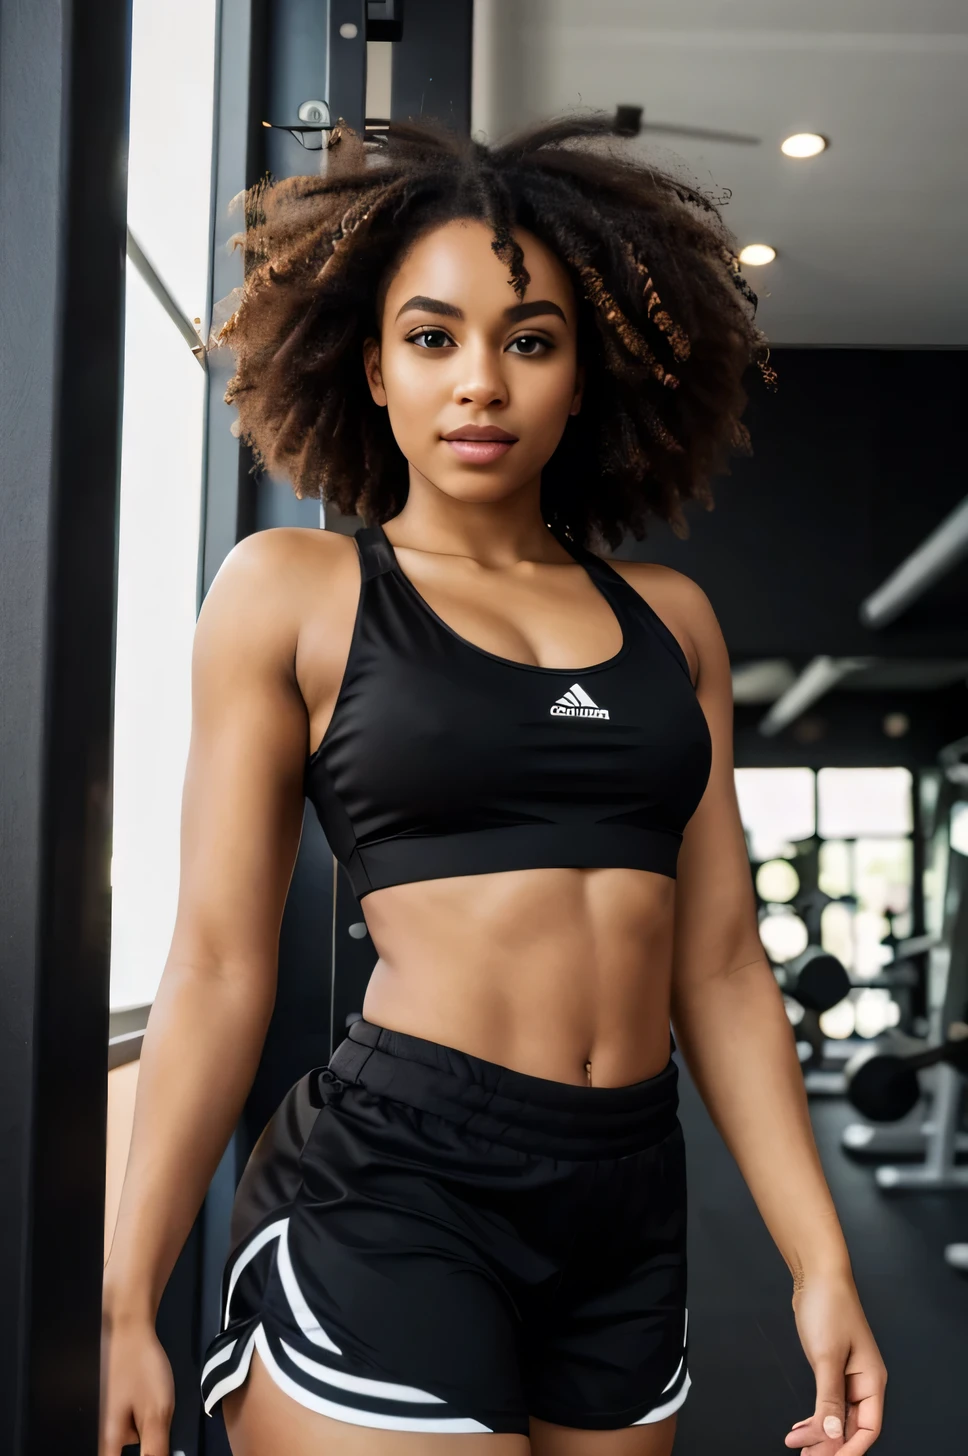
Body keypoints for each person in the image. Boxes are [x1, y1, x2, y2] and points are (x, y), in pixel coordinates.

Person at [99, 116, 885, 1456]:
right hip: (399, 1181)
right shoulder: (295, 596)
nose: (481, 383)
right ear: (372, 368)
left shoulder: (671, 622)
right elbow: (221, 965)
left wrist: (823, 1261)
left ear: (580, 379)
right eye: (433, 338)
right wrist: (125, 1296)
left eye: (528, 341)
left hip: (629, 1196)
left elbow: (723, 966)